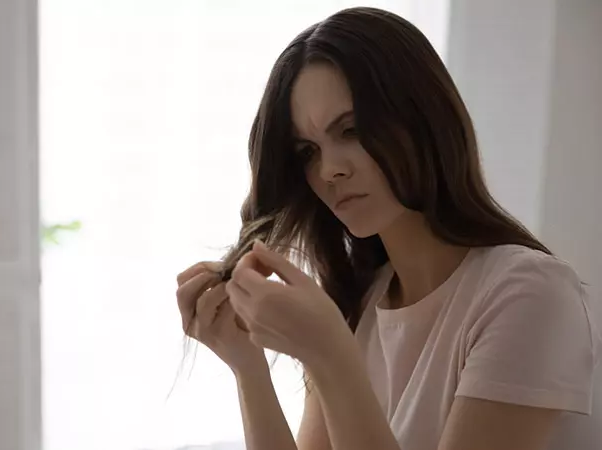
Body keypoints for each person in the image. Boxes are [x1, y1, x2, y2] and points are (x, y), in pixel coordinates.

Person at [175, 7, 601, 450]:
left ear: (424, 118)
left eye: (352, 130)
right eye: (307, 152)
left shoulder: (528, 293)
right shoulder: (359, 304)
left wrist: (332, 357)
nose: (329, 170)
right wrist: (249, 367)